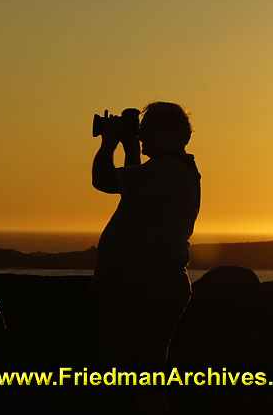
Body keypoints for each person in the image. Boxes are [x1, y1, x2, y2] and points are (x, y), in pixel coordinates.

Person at [91, 102, 200, 408]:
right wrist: (127, 146)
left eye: (147, 127)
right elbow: (133, 182)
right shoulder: (169, 171)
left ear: (171, 133)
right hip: (143, 289)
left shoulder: (167, 170)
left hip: (143, 292)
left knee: (137, 380)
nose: (141, 134)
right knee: (141, 379)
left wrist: (109, 144)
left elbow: (104, 179)